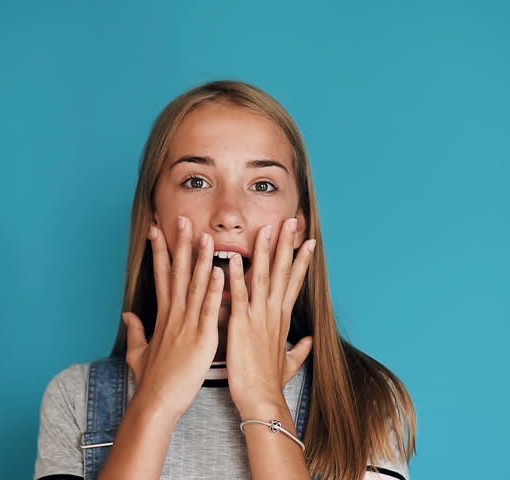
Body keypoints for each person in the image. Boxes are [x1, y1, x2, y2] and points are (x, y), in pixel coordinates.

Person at [33, 80, 417, 480]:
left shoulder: (365, 400)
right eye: (196, 181)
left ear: (298, 225)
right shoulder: (76, 397)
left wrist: (264, 402)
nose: (228, 213)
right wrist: (156, 403)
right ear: (153, 216)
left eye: (263, 185)